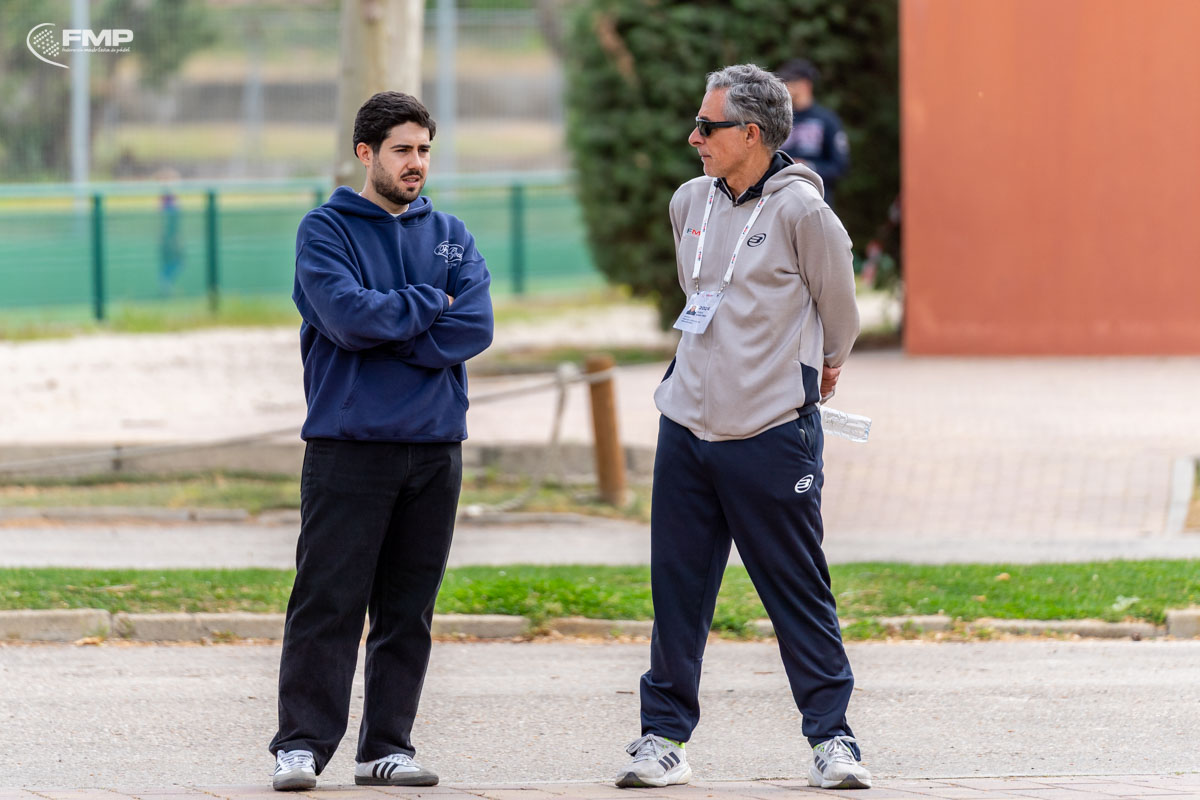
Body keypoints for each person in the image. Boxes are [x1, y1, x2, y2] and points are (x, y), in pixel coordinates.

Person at [614, 64, 870, 791]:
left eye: (708, 126)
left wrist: (821, 366)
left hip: (770, 432)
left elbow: (841, 313)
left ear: (752, 134)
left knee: (797, 590)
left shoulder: (804, 214)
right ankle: (663, 739)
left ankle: (833, 740)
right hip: (686, 428)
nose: (693, 137)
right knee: (677, 592)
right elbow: (698, 293)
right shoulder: (688, 200)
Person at [268, 91, 493, 791]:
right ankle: (300, 746)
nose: (415, 162)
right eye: (402, 150)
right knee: (327, 603)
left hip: (436, 448)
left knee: (408, 611)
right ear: (366, 153)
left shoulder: (451, 234)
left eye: (424, 149)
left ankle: (386, 748)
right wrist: (428, 304)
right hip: (350, 446)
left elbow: (475, 326)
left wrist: (388, 328)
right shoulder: (325, 231)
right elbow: (346, 318)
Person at [776, 58, 850, 209]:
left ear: (805, 84)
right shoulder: (777, 119)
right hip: (780, 203)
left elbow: (840, 167)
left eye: (790, 81)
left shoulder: (827, 120)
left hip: (816, 203)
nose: (785, 86)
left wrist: (807, 167)